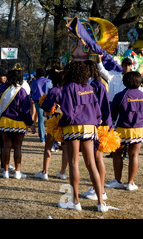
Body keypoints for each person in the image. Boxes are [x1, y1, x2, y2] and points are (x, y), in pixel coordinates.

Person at [57, 61, 107, 212]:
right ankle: (100, 203)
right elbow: (97, 111)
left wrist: (60, 123)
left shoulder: (68, 87)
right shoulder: (90, 87)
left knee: (74, 163)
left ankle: (75, 201)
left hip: (73, 126)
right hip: (90, 126)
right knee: (92, 164)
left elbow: (67, 112)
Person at [0, 66, 35, 179]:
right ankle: (17, 172)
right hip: (19, 122)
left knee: (6, 146)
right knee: (17, 147)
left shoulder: (1, 89)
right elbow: (25, 111)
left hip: (5, 121)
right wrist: (30, 123)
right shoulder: (22, 91)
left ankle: (5, 172)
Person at [80, 60, 114, 201]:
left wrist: (107, 126)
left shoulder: (97, 84)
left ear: (90, 70)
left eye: (84, 69)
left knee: (97, 158)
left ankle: (100, 190)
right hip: (92, 123)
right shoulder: (91, 84)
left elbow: (104, 106)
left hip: (97, 125)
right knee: (93, 159)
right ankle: (97, 188)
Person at [107, 71, 143, 191]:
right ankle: (130, 183)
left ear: (124, 82)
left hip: (122, 128)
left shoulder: (120, 95)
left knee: (117, 154)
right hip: (139, 129)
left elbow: (112, 113)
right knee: (134, 155)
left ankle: (118, 180)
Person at [34, 67, 68, 181]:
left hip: (55, 119)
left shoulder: (54, 90)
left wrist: (44, 101)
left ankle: (45, 172)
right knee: (65, 147)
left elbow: (46, 106)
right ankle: (62, 172)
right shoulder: (69, 89)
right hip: (67, 120)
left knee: (48, 146)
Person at [30, 68, 51, 143]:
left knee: (40, 119)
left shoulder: (34, 82)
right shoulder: (48, 81)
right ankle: (51, 136)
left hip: (38, 101)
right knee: (50, 119)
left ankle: (42, 138)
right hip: (48, 101)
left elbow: (31, 92)